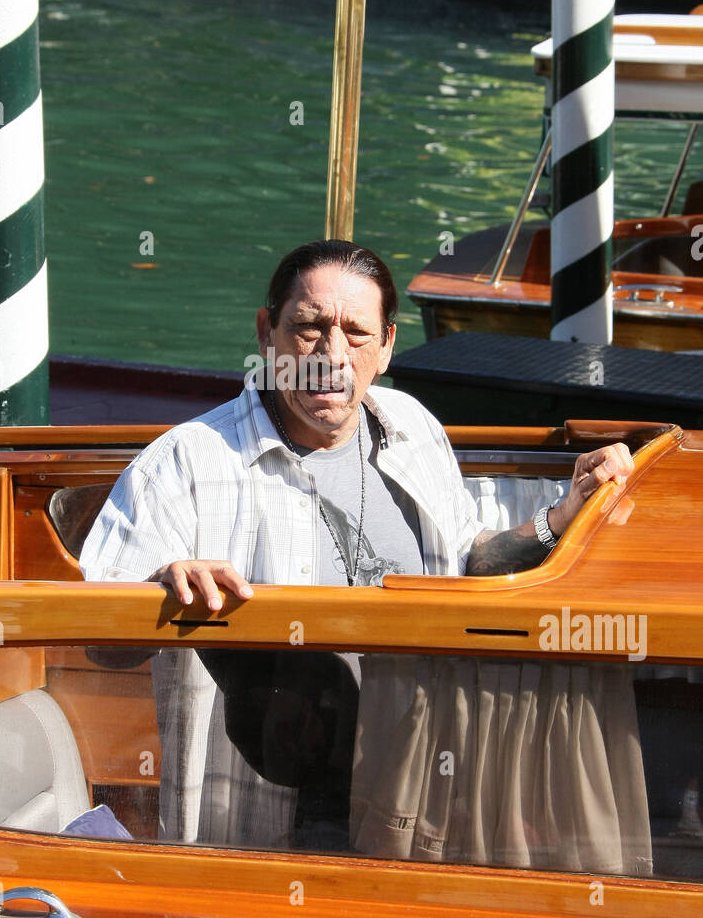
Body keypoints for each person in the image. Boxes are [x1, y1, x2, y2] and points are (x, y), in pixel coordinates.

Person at [80, 240, 650, 872]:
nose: (330, 356)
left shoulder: (412, 428)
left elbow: (467, 559)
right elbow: (101, 644)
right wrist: (161, 586)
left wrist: (561, 518)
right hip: (265, 809)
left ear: (386, 346)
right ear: (267, 334)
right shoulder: (188, 462)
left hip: (421, 790)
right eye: (308, 328)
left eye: (355, 333)